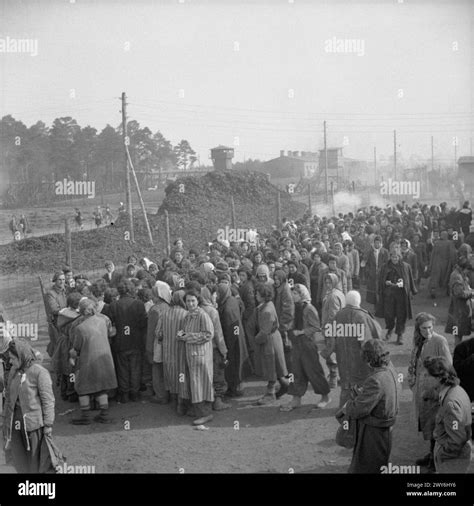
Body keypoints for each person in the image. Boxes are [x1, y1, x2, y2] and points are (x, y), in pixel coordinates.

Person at [344, 339, 400, 473]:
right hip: (385, 428)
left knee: (365, 466)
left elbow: (358, 410)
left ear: (368, 357)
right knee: (379, 464)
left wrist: (350, 404)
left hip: (373, 431)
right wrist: (363, 394)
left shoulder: (375, 380)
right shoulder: (391, 370)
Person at [407, 312, 452, 472]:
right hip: (421, 390)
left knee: (436, 426)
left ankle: (436, 460)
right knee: (427, 424)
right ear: (418, 329)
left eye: (430, 327)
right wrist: (413, 383)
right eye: (424, 328)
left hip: (435, 392)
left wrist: (440, 390)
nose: (428, 331)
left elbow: (448, 366)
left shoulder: (440, 341)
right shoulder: (420, 342)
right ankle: (431, 454)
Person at [3, 339, 55, 473]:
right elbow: (8, 398)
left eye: (13, 358)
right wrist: (5, 423)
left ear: (22, 356)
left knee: (35, 464)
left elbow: (48, 401)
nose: (10, 362)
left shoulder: (40, 373)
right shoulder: (14, 372)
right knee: (19, 462)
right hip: (15, 426)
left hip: (33, 427)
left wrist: (48, 425)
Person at [326, 290, 383, 407]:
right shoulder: (362, 316)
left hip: (342, 358)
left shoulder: (338, 315)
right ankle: (358, 408)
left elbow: (330, 336)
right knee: (362, 384)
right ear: (359, 301)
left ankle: (343, 409)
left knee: (346, 384)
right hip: (359, 359)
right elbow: (368, 342)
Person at [280, 284, 330, 411]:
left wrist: (301, 332)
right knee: (296, 371)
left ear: (302, 294)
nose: (293, 296)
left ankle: (325, 397)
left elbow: (316, 327)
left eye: (295, 294)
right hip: (296, 345)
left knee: (314, 372)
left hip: (307, 344)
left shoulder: (309, 309)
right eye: (293, 293)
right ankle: (296, 399)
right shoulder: (295, 308)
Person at [70, 299, 117, 424]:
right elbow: (110, 333)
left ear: (81, 311)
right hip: (105, 359)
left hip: (88, 361)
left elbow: (76, 347)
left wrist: (72, 356)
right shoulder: (103, 321)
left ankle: (86, 417)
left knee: (82, 387)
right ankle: (104, 414)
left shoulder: (80, 328)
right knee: (102, 388)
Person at [424, 356, 472, 473]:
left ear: (439, 378)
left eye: (427, 375)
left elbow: (457, 439)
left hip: (451, 461)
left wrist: (442, 454)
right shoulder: (455, 389)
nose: (425, 378)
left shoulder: (450, 403)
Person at [177, 288, 215, 425]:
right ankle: (198, 411)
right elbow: (184, 332)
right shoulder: (188, 315)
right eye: (188, 301)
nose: (190, 303)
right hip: (191, 355)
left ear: (198, 301)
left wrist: (188, 337)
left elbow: (208, 334)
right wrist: (181, 335)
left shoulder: (202, 315)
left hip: (201, 356)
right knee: (195, 383)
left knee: (201, 383)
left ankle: (206, 414)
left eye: (193, 301)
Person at [109, 280, 147, 403]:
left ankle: (124, 394)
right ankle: (134, 393)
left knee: (122, 369)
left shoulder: (114, 305)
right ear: (131, 290)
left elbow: (111, 323)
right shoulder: (139, 304)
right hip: (135, 341)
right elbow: (143, 323)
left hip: (120, 342)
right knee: (135, 368)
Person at [253, 283, 289, 405]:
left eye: (257, 294)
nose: (255, 295)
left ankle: (270, 394)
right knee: (276, 366)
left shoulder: (266, 311)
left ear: (263, 296)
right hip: (274, 339)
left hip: (269, 342)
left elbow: (264, 332)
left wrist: (255, 340)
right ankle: (285, 385)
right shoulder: (268, 305)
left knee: (271, 367)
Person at [376, 248, 417, 345]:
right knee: (389, 314)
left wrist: (411, 290)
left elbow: (409, 279)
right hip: (388, 294)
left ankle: (400, 335)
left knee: (401, 315)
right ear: (390, 257)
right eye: (393, 257)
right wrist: (386, 283)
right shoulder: (385, 267)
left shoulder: (405, 266)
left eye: (397, 257)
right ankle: (390, 329)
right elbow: (381, 280)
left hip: (401, 295)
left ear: (399, 257)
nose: (395, 259)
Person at [216, 283, 248, 398]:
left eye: (218, 293)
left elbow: (229, 328)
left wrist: (227, 346)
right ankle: (236, 387)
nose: (217, 295)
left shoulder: (227, 309)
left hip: (233, 340)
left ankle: (234, 389)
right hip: (238, 336)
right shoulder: (232, 300)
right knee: (237, 364)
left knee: (233, 365)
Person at [145, 282, 171, 404]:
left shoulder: (154, 310)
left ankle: (160, 395)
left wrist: (148, 348)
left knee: (157, 369)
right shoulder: (169, 307)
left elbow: (150, 332)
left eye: (154, 295)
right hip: (169, 344)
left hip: (157, 344)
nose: (151, 298)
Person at [321, 273, 346, 389]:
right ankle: (340, 377)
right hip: (339, 328)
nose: (327, 284)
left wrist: (327, 329)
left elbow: (333, 315)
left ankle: (333, 379)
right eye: (326, 282)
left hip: (332, 328)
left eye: (330, 282)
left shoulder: (333, 296)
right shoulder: (339, 293)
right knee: (338, 353)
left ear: (335, 282)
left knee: (331, 355)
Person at [273, 269, 295, 392]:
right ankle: (287, 382)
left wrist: (282, 327)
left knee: (288, 359)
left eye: (277, 278)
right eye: (274, 278)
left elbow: (288, 311)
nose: (275, 280)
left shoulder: (285, 290)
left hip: (285, 329)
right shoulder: (280, 289)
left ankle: (290, 382)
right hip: (282, 328)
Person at [445, 259, 474, 347]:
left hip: (460, 308)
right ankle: (457, 351)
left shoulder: (460, 274)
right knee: (458, 332)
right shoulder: (456, 276)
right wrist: (472, 293)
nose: (468, 272)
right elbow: (459, 293)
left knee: (459, 331)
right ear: (463, 268)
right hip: (459, 309)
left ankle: (457, 350)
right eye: (467, 270)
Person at [428, 230, 457, 299]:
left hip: (438, 263)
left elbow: (432, 254)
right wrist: (454, 263)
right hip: (443, 263)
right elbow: (452, 254)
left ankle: (435, 291)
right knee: (442, 277)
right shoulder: (448, 243)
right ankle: (434, 291)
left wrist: (431, 264)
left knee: (437, 278)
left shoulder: (438, 243)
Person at [45, 271, 67, 357]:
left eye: (63, 279)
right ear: (55, 280)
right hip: (58, 320)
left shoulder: (66, 290)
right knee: (60, 342)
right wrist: (68, 310)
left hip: (68, 317)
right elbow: (54, 309)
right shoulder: (51, 293)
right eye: (59, 280)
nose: (62, 282)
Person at [364, 235, 389, 308]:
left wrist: (384, 270)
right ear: (373, 243)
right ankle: (375, 305)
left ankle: (381, 305)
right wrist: (368, 271)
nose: (377, 245)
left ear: (381, 243)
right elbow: (367, 263)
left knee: (381, 289)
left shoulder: (385, 251)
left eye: (378, 243)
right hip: (373, 274)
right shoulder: (370, 251)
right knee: (374, 290)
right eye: (376, 243)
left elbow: (387, 263)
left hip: (382, 274)